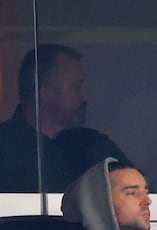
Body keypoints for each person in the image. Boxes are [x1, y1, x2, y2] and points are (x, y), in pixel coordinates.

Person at [0, 44, 129, 192]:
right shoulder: (3, 148)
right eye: (76, 88)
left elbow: (141, 197)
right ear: (47, 94)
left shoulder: (95, 147)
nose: (85, 96)